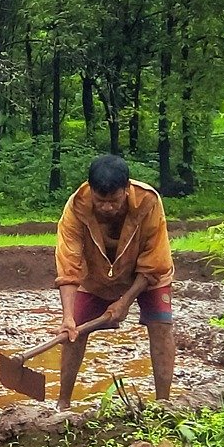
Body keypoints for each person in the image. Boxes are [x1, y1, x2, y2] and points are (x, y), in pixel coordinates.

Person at [52, 154, 175, 409]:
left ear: (126, 190)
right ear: (91, 191)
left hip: (147, 276)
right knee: (74, 332)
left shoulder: (148, 202)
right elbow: (69, 264)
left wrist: (125, 302)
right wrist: (67, 318)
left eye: (114, 201)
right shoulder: (76, 208)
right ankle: (63, 404)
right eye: (100, 201)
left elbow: (154, 261)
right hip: (96, 274)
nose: (107, 207)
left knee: (161, 324)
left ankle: (164, 404)